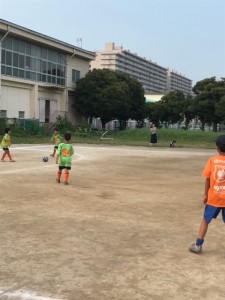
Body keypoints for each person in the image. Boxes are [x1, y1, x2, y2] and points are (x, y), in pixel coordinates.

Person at [189, 135, 225, 254]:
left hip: (214, 197)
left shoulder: (212, 160)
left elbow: (208, 179)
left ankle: (198, 245)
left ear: (218, 148)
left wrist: (205, 195)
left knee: (205, 220)